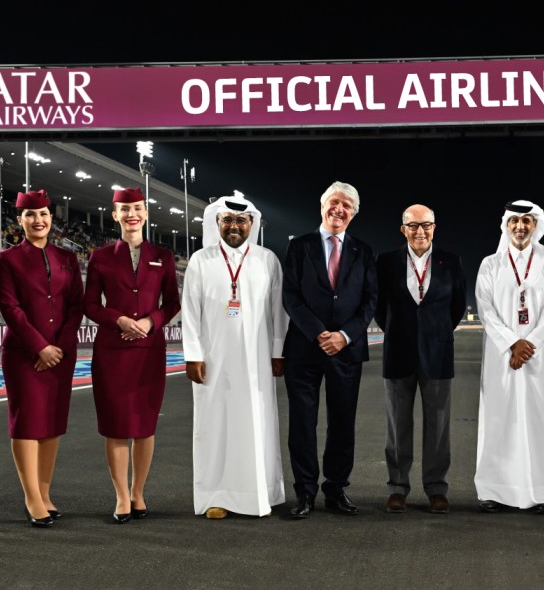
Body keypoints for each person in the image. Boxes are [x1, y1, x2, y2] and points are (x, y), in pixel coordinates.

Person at [182, 191, 288, 519]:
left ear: (251, 224)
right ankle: (216, 496)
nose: (234, 226)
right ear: (217, 222)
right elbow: (190, 311)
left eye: (241, 220)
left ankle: (260, 493)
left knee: (257, 423)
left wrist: (278, 352)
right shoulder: (201, 260)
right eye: (227, 219)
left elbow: (278, 311)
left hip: (257, 360)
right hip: (214, 360)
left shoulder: (267, 260)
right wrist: (192, 355)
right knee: (214, 426)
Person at [281, 181, 378, 519]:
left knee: (343, 423)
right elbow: (290, 296)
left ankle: (336, 489)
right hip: (304, 349)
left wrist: (345, 336)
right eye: (335, 202)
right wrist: (319, 332)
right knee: (302, 423)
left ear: (353, 214)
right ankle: (305, 492)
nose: (339, 209)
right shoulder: (299, 246)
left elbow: (370, 301)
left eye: (347, 205)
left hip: (346, 351)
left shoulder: (364, 251)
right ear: (322, 206)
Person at [84, 186, 180, 524]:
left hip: (148, 351)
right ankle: (121, 496)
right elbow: (90, 304)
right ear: (115, 215)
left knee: (143, 426)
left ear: (146, 213)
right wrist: (119, 320)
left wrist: (150, 322)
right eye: (125, 209)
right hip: (112, 352)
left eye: (137, 208)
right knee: (115, 426)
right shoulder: (100, 256)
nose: (132, 214)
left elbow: (172, 303)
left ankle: (138, 492)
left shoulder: (164, 256)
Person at [0, 190, 84, 528]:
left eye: (44, 214)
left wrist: (59, 346)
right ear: (20, 220)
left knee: (52, 423)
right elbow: (10, 307)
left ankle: (45, 492)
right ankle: (31, 496)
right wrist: (39, 347)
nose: (38, 220)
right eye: (30, 215)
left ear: (51, 218)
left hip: (61, 354)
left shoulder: (67, 258)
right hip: (24, 354)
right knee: (27, 423)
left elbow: (76, 305)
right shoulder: (8, 258)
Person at [374, 203, 467, 514]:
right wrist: (399, 331)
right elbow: (379, 306)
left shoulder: (450, 261)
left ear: (434, 228)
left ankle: (436, 488)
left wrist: (435, 333)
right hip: (397, 351)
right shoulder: (385, 262)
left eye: (426, 225)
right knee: (397, 426)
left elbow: (457, 306)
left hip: (438, 353)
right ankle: (397, 487)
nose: (420, 231)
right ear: (403, 229)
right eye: (413, 225)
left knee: (438, 427)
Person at [474, 200, 544, 514]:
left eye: (527, 221)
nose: (520, 227)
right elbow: (485, 309)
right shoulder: (490, 264)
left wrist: (529, 344)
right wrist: (512, 343)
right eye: (515, 221)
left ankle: (541, 492)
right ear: (506, 225)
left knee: (539, 421)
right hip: (501, 356)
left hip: (537, 356)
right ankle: (493, 491)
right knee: (498, 420)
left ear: (536, 225)